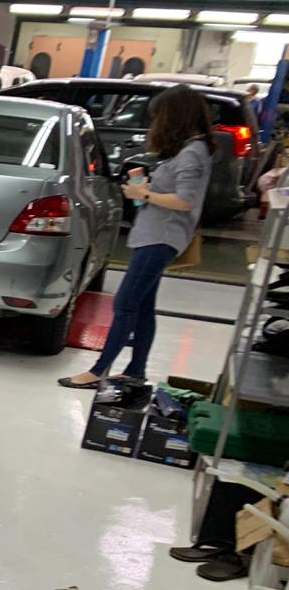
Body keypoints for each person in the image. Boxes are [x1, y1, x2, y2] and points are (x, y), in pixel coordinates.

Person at [59, 85, 214, 389]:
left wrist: (144, 193)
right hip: (155, 235)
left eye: (158, 117)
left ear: (174, 117)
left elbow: (185, 200)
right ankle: (135, 370)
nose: (155, 124)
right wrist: (145, 189)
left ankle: (99, 370)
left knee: (125, 304)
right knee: (142, 307)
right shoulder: (190, 150)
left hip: (161, 238)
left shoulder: (192, 153)